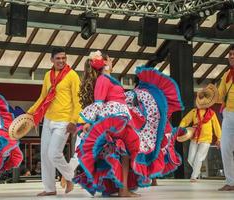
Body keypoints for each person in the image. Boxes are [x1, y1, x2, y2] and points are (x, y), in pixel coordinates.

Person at [74, 51, 140, 197]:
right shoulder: (103, 79)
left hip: (120, 117)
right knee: (123, 152)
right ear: (104, 62)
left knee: (123, 153)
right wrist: (90, 122)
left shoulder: (108, 79)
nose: (112, 62)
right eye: (110, 59)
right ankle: (123, 190)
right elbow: (98, 103)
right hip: (113, 118)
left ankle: (121, 188)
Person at [27, 47, 81, 196]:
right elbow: (43, 97)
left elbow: (78, 100)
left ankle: (69, 178)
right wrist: (31, 112)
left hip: (64, 120)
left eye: (64, 58)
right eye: (58, 58)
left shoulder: (72, 75)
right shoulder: (47, 75)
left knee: (54, 153)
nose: (61, 61)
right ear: (52, 60)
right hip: (48, 119)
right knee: (44, 155)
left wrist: (74, 120)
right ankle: (50, 189)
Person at [125, 67, 184, 186]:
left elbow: (125, 99)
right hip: (159, 128)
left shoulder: (137, 92)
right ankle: (153, 178)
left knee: (148, 152)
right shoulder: (156, 95)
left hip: (147, 128)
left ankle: (148, 177)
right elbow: (164, 112)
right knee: (157, 152)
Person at [179, 84, 221, 182]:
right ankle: (197, 171)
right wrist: (181, 128)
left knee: (198, 157)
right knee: (190, 159)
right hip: (195, 138)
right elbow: (185, 120)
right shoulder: (194, 112)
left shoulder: (212, 114)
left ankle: (194, 177)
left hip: (206, 139)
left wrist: (219, 138)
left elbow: (217, 127)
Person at [218, 44, 234, 191]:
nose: (231, 56)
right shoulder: (226, 75)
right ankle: (231, 182)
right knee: (225, 147)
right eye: (230, 54)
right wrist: (207, 95)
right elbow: (220, 94)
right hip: (229, 114)